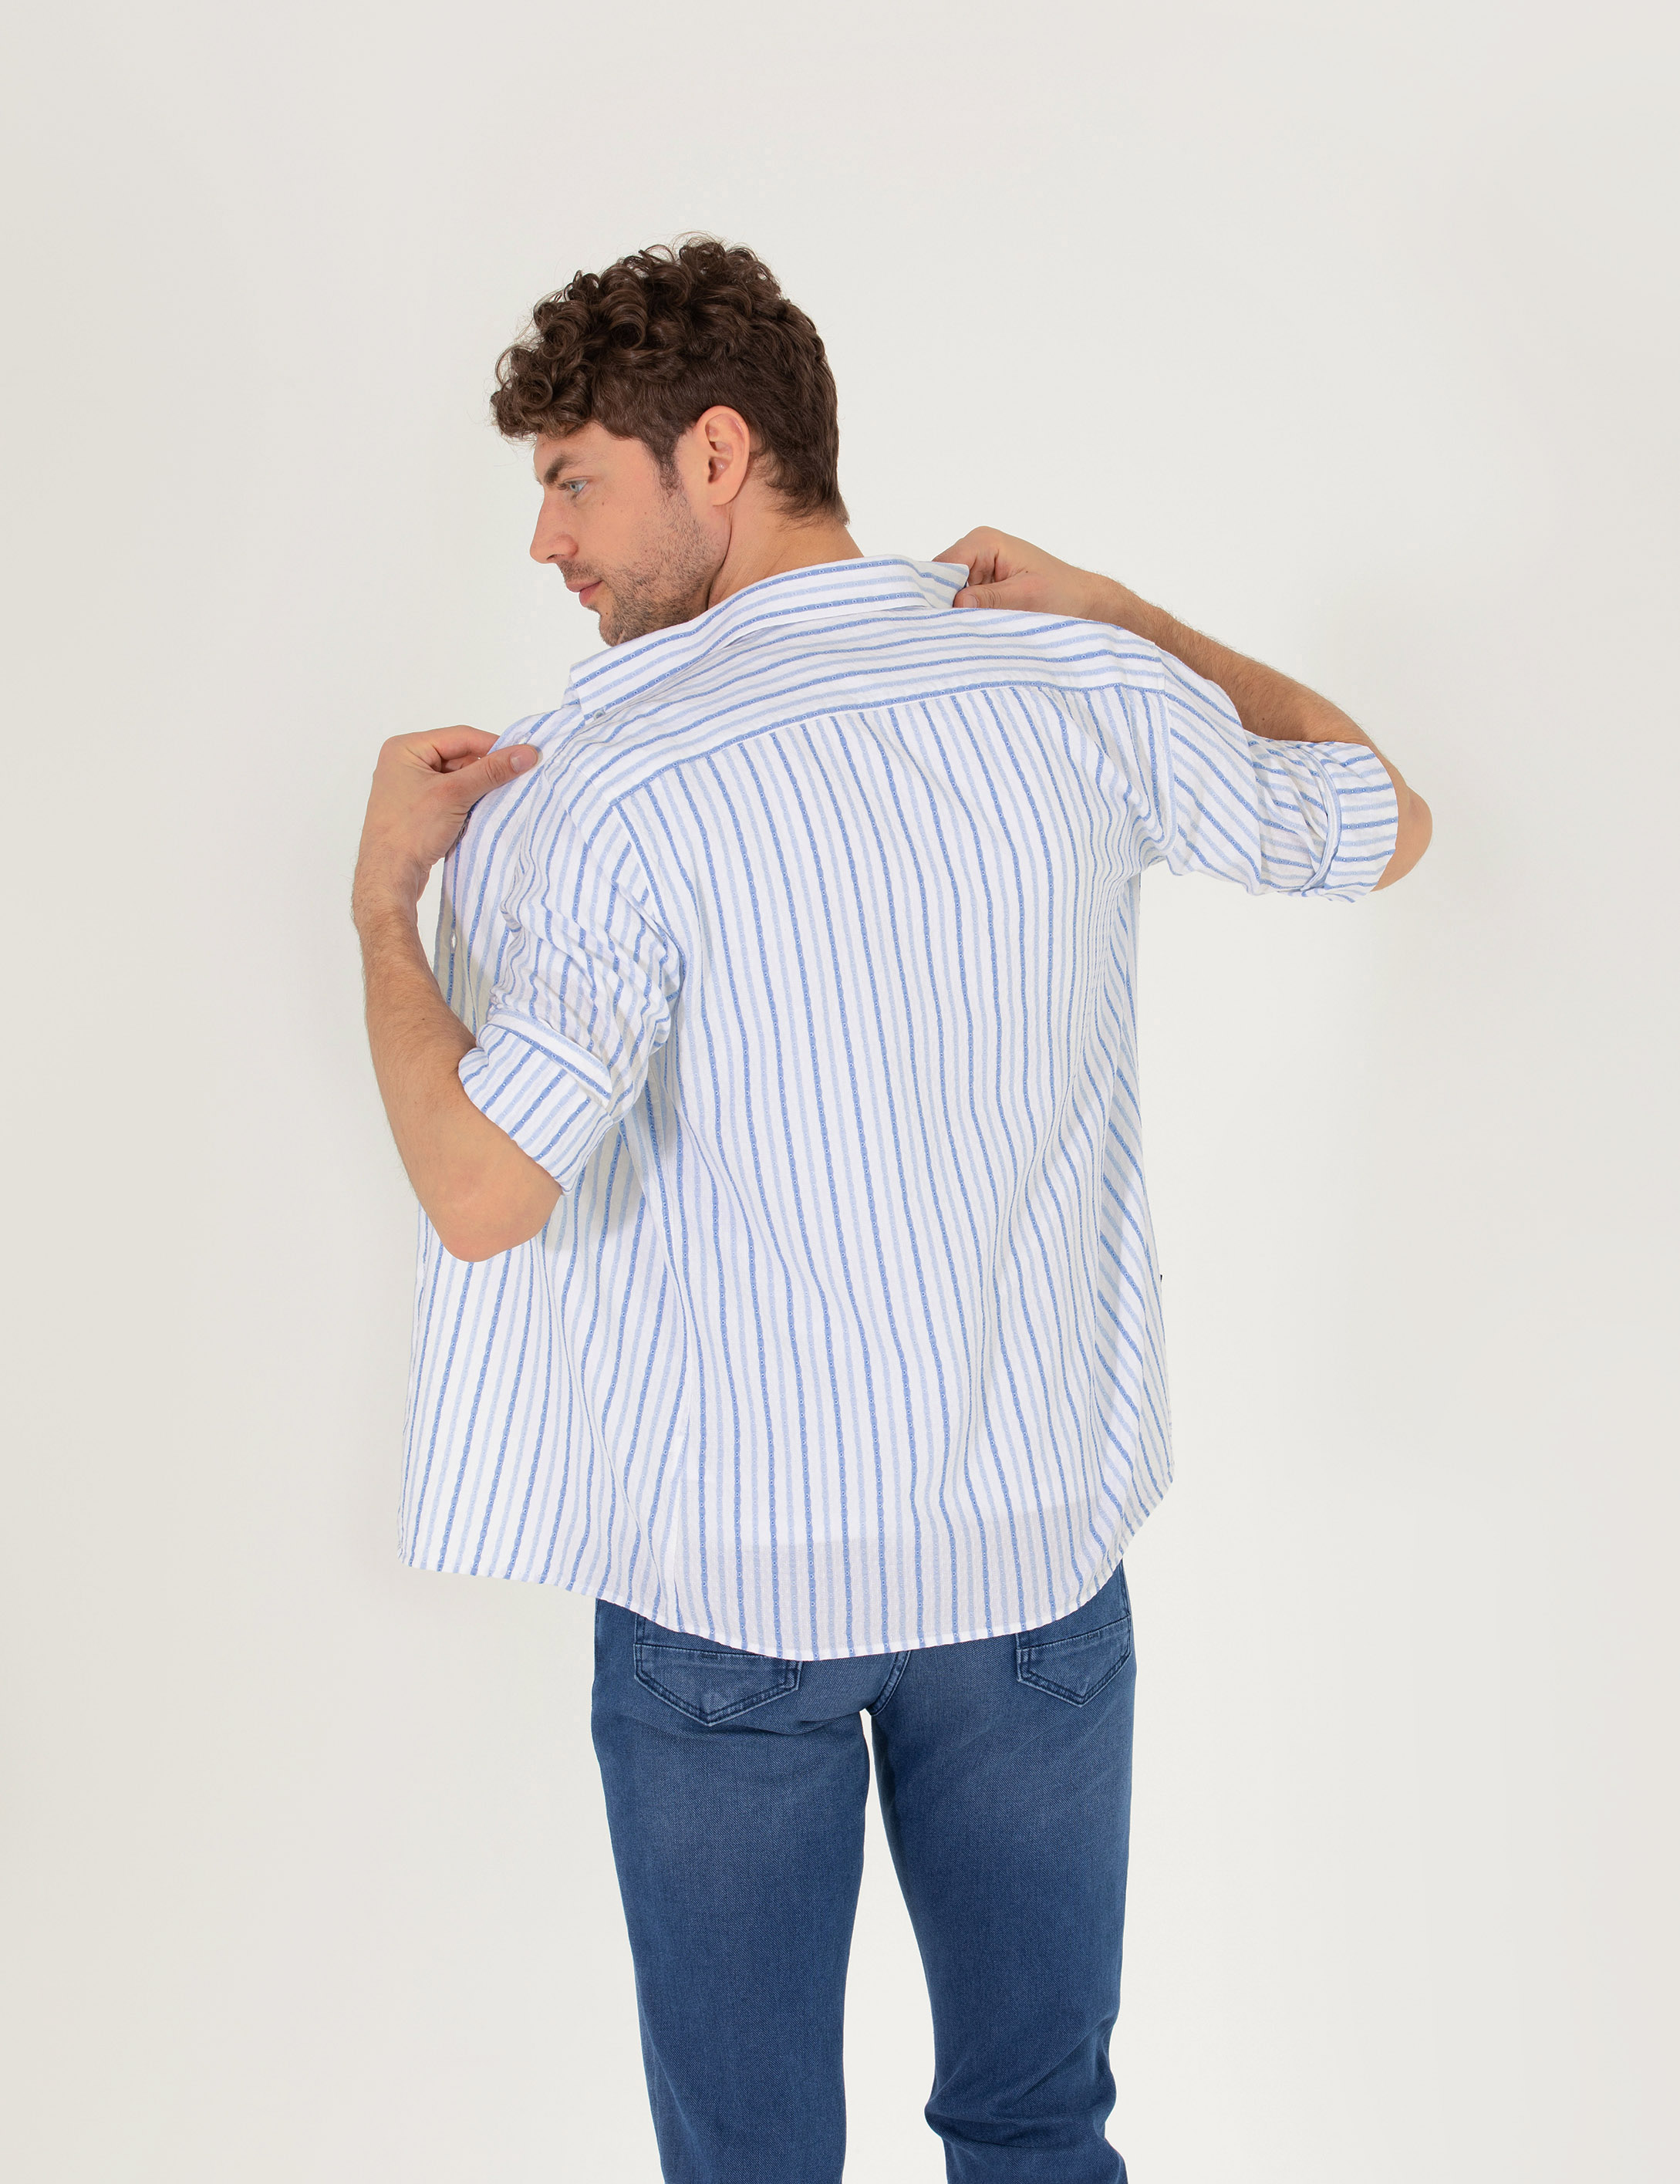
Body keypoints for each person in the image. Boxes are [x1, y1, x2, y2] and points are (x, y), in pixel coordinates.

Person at [351, 237, 1432, 2184]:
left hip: (730, 1595)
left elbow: (480, 1190)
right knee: (1038, 2130)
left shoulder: (607, 782)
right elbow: (1379, 815)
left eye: (572, 481)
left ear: (716, 455)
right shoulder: (1073, 686)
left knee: (753, 2167)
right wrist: (1127, 615)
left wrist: (378, 908)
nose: (545, 542)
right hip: (1030, 1561)